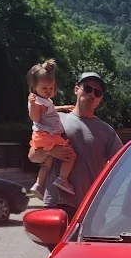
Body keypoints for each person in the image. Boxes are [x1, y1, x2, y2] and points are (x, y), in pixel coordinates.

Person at [36, 72, 122, 220]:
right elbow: (34, 156)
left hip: (91, 209)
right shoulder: (56, 121)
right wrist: (52, 150)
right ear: (76, 89)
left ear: (100, 98)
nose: (92, 94)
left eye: (98, 92)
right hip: (58, 206)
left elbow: (121, 166)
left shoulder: (107, 131)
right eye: (87, 88)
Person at [26, 59, 76, 199]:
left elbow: (50, 109)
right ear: (34, 87)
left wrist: (63, 107)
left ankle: (38, 185)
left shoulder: (44, 101)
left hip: (43, 136)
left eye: (51, 89)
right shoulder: (37, 102)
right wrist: (32, 106)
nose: (48, 91)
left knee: (47, 164)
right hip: (47, 135)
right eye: (44, 89)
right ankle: (62, 179)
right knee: (70, 155)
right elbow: (35, 117)